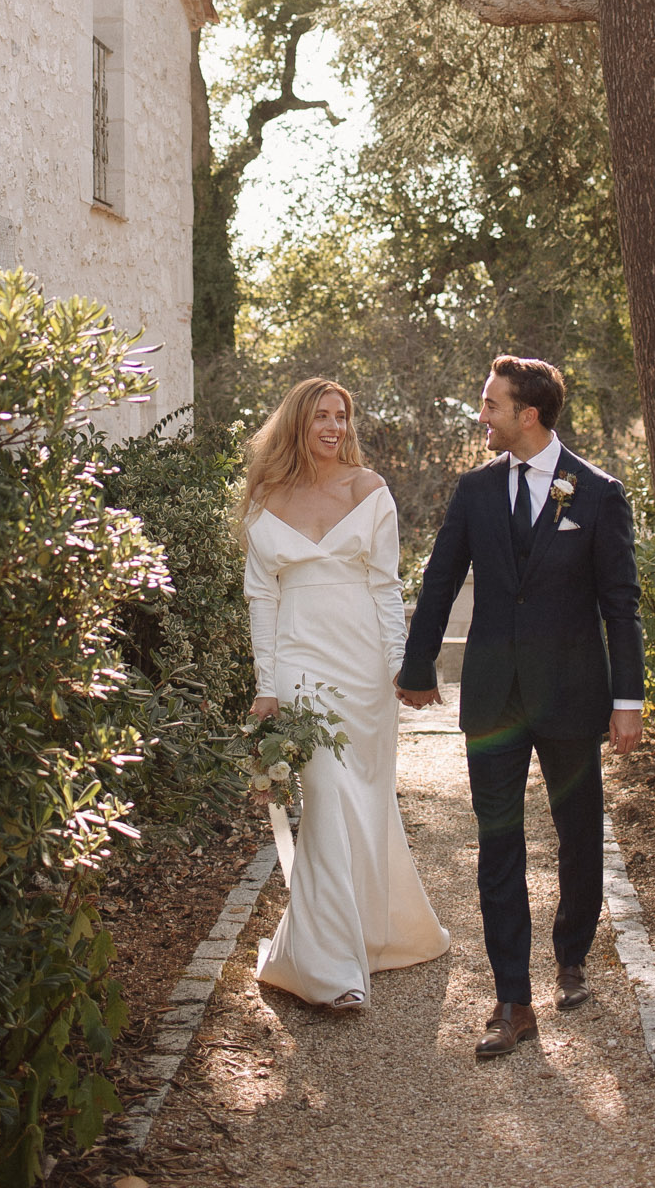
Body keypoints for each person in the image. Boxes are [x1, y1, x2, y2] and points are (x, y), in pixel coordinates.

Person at [396, 355, 644, 1060]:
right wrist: (416, 666)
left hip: (571, 692)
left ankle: (571, 955)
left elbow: (619, 606)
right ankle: (512, 998)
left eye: (490, 404)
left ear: (527, 414)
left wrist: (627, 699)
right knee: (497, 845)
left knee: (578, 834)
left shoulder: (596, 493)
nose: (481, 415)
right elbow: (440, 578)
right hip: (494, 697)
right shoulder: (474, 492)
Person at [241, 376, 450, 1009]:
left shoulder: (370, 490)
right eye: (322, 416)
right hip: (302, 664)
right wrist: (266, 686)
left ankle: (380, 934)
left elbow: (387, 588)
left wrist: (401, 667)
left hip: (365, 669)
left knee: (367, 802)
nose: (335, 426)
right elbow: (262, 596)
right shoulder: (267, 499)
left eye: (343, 416)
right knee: (327, 799)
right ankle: (328, 970)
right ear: (298, 424)